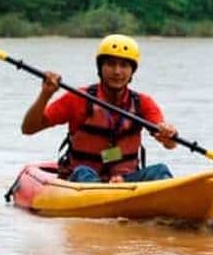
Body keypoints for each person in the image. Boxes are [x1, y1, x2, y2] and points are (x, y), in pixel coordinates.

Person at [21, 33, 177, 183]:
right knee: (83, 172)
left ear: (132, 71)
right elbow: (28, 128)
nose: (117, 71)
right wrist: (45, 95)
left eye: (124, 65)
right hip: (82, 180)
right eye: (110, 64)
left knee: (160, 170)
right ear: (100, 68)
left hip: (125, 181)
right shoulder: (78, 98)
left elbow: (169, 144)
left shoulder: (143, 103)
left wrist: (168, 134)